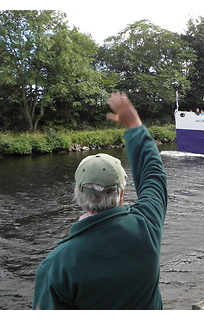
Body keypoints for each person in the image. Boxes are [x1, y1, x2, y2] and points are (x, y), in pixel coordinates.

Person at [32, 92, 168, 310]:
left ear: (77, 193)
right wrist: (134, 124)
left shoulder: (56, 266)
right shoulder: (147, 226)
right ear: (122, 193)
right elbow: (154, 176)